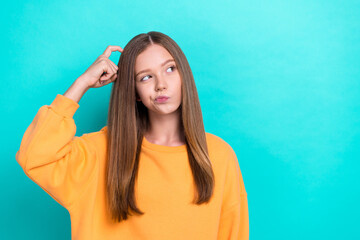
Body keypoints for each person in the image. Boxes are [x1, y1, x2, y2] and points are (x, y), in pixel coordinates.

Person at [16, 31, 249, 240]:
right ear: (135, 92)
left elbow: (233, 233)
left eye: (170, 69)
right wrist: (82, 83)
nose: (161, 85)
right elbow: (34, 157)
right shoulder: (101, 151)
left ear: (184, 77)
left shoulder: (218, 155)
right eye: (146, 77)